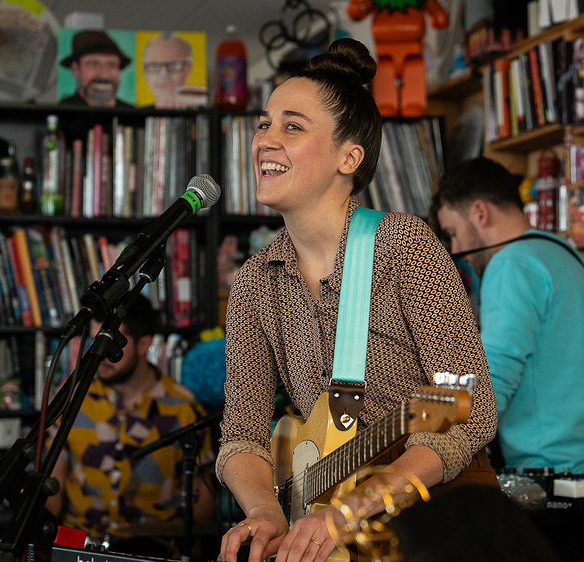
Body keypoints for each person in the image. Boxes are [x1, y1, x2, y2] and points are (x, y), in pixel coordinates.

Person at [217, 38, 498, 562]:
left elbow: (468, 404)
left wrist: (352, 507)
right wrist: (265, 511)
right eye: (263, 123)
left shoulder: (403, 246)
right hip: (333, 523)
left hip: (440, 520)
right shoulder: (255, 282)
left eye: (292, 126)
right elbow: (242, 436)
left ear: (350, 157)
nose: (264, 140)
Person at [433, 157, 584, 562]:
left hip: (570, 491)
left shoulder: (511, 263)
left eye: (453, 234)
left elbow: (490, 385)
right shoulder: (563, 252)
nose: (455, 250)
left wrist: (417, 418)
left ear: (480, 212)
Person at [46, 294, 214, 557]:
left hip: (151, 550)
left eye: (111, 344)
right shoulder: (73, 400)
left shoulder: (182, 408)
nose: (99, 354)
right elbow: (51, 485)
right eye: (95, 341)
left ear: (144, 344)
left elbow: (203, 504)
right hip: (78, 547)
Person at [59, 30, 135, 109]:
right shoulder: (61, 114)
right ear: (75, 70)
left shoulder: (133, 117)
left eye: (111, 65)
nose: (103, 74)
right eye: (93, 64)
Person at [141, 34, 206, 109]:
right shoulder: (136, 117)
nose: (164, 74)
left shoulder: (200, 111)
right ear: (144, 71)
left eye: (173, 65)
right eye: (154, 66)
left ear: (188, 70)